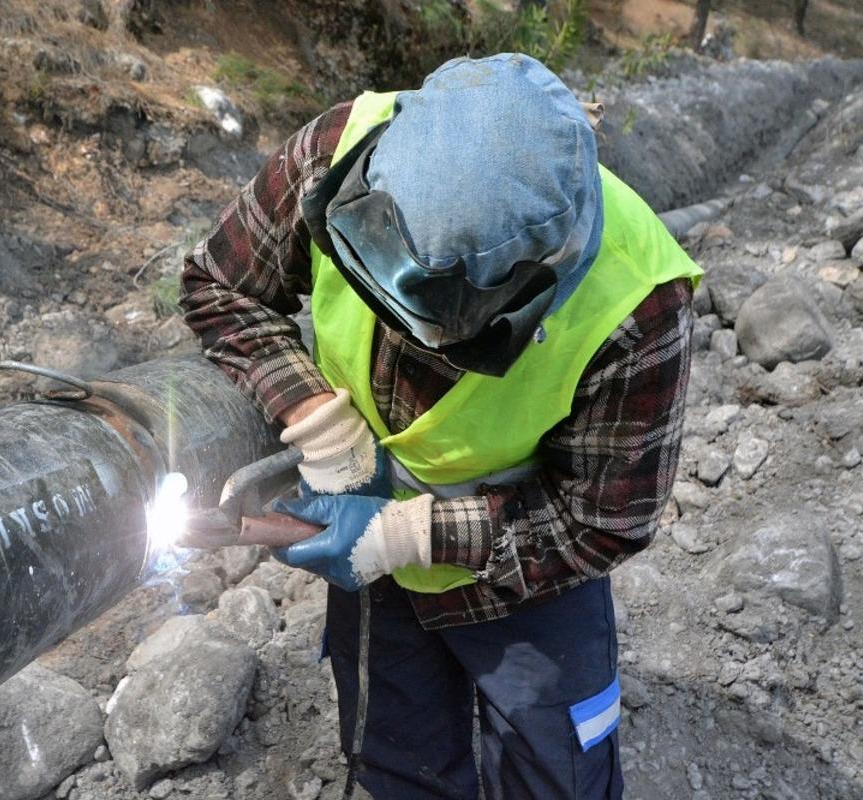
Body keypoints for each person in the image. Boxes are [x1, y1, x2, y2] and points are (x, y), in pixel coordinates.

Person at [179, 53, 701, 800]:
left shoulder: (638, 308)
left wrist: (406, 535)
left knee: (558, 773)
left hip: (526, 567)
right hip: (371, 547)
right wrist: (314, 417)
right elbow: (219, 285)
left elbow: (601, 519)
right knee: (398, 762)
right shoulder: (334, 146)